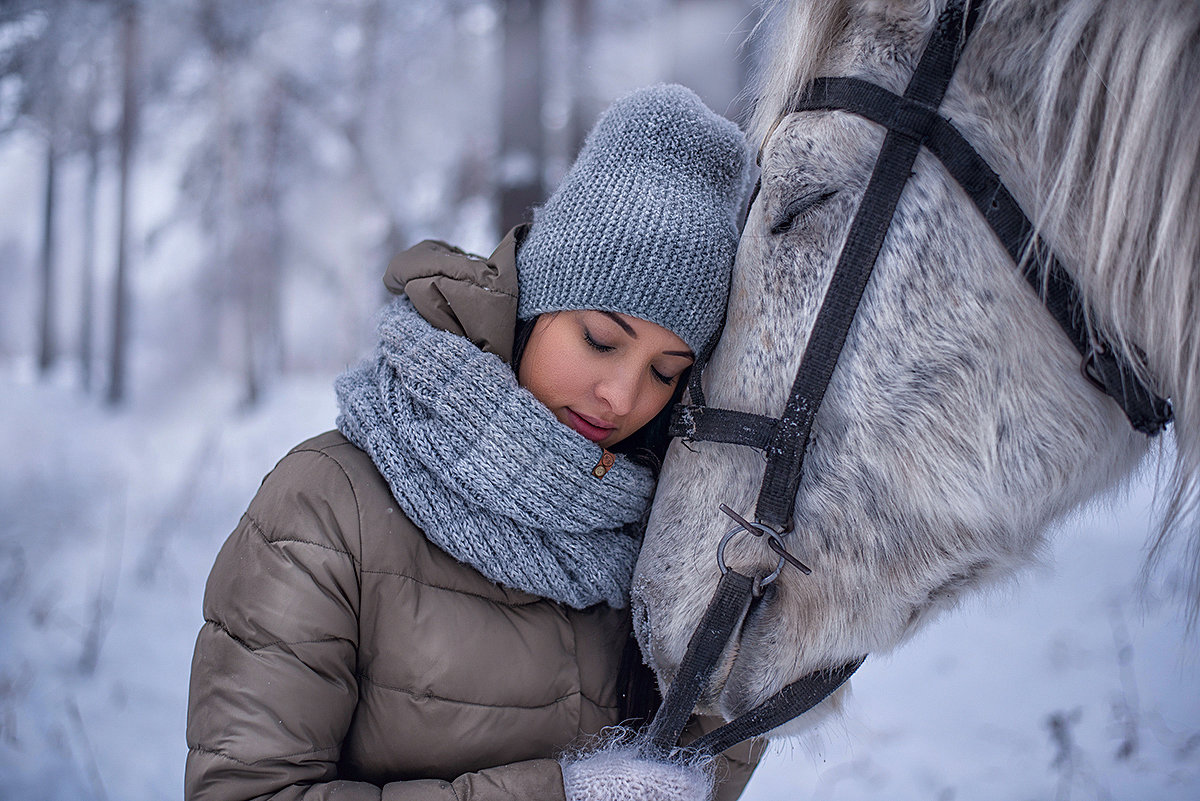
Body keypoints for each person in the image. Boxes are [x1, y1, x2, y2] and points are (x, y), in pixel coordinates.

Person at [185, 84, 758, 801]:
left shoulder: (659, 532)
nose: (622, 397)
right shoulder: (327, 506)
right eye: (600, 340)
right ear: (531, 303)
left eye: (665, 373)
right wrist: (559, 795)